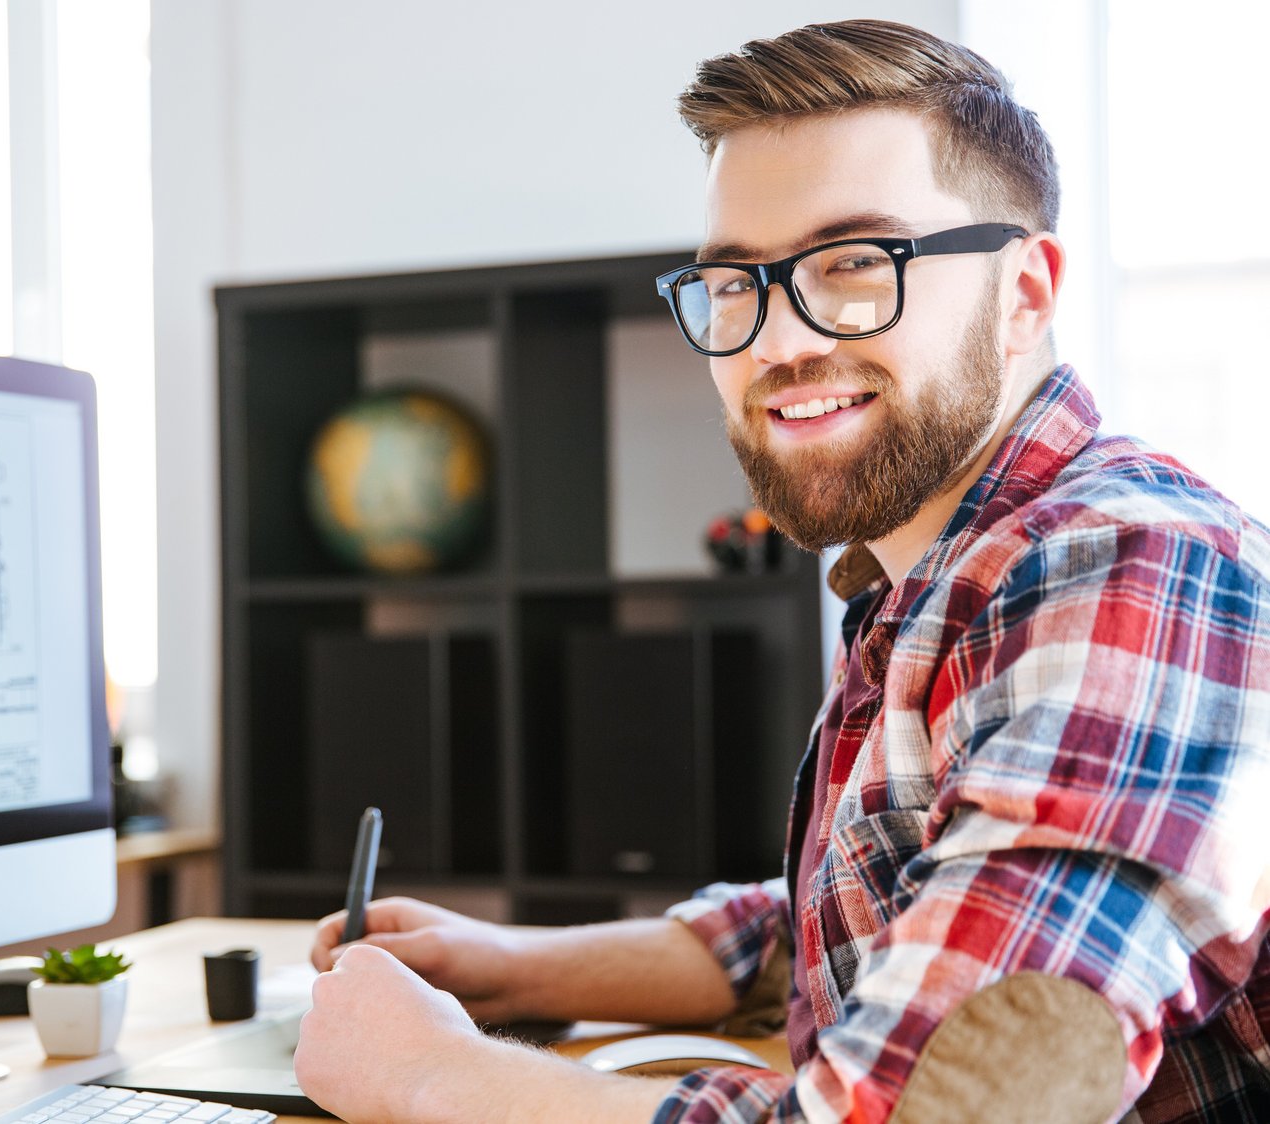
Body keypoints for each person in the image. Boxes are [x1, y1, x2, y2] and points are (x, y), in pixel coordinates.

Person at [292, 19, 1270, 1123]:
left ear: (1026, 294)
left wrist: (434, 1073)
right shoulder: (941, 570)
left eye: (854, 266)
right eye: (734, 284)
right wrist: (511, 963)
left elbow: (940, 1109)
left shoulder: (1127, 570)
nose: (777, 341)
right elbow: (869, 904)